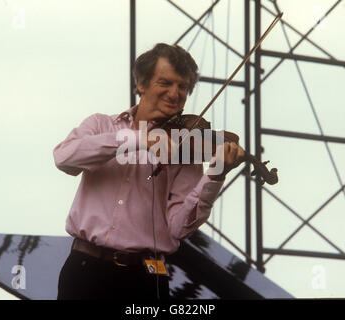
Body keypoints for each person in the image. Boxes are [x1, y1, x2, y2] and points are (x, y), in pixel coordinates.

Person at [53, 43, 245, 300]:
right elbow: (65, 158)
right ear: (141, 84)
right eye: (165, 83)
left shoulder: (184, 148)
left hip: (144, 279)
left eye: (183, 87)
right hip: (85, 269)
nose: (174, 94)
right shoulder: (101, 125)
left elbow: (178, 229)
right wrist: (137, 139)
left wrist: (216, 174)